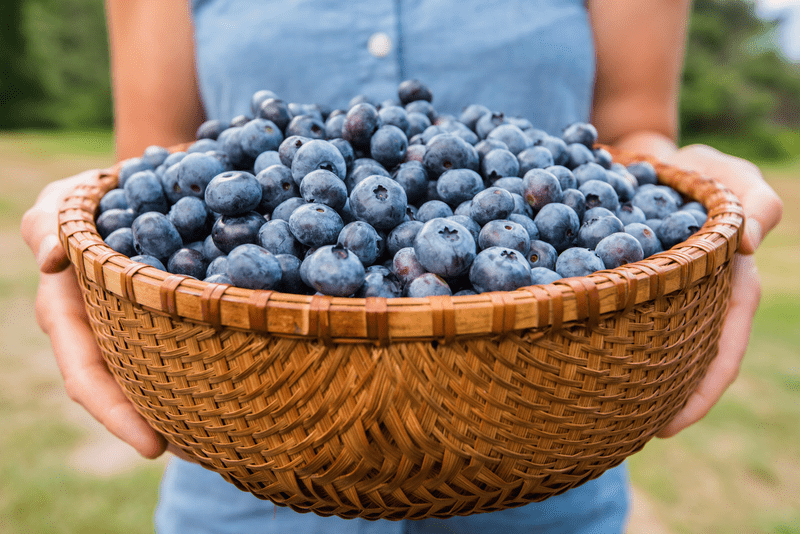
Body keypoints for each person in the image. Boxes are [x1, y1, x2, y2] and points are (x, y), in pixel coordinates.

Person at [21, 0, 783, 532]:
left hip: (543, 438)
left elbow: (631, 135)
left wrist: (701, 210)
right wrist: (83, 239)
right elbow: (161, 167)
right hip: (251, 444)